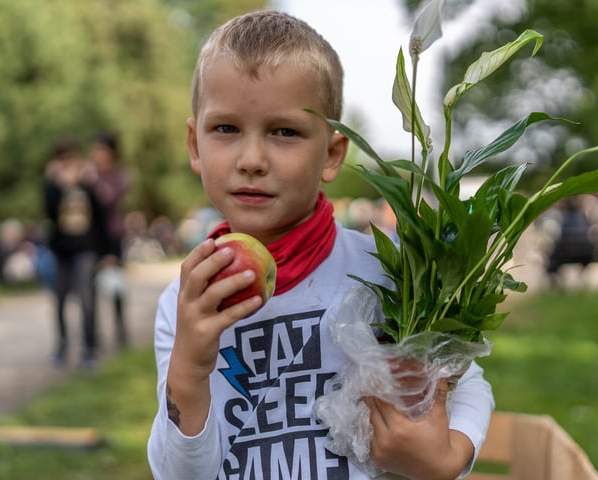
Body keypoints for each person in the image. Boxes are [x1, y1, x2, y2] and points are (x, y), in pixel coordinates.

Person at [147, 10, 494, 480]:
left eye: (284, 132)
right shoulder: (186, 304)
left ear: (331, 153)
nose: (251, 160)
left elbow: (464, 380)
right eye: (226, 129)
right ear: (195, 144)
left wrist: (450, 457)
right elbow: (180, 475)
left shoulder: (385, 273)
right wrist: (188, 369)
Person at [43, 135, 108, 370]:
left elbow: (100, 219)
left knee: (86, 300)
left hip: (85, 249)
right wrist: (58, 186)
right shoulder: (52, 185)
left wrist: (105, 251)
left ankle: (89, 348)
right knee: (59, 299)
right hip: (62, 251)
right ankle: (62, 345)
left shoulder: (89, 184)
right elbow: (49, 214)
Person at [90, 131, 131, 349]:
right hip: (93, 238)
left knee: (115, 286)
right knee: (91, 288)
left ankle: (120, 331)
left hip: (113, 236)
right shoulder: (89, 173)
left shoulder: (119, 176)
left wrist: (93, 182)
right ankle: (93, 334)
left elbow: (108, 199)